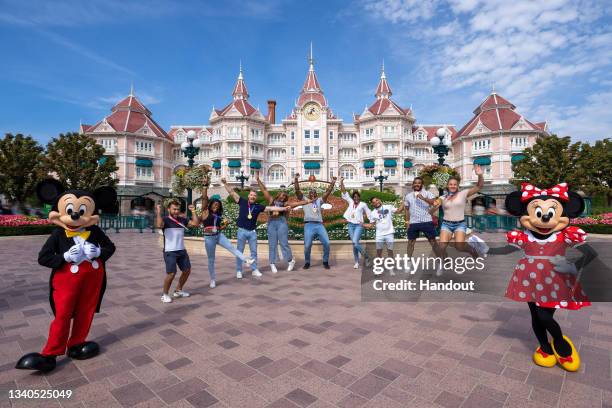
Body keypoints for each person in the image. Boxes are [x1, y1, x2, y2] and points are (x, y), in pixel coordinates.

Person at [198, 188, 255, 288]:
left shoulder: (219, 215)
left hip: (219, 235)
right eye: (214, 204)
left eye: (218, 205)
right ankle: (212, 280)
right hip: (209, 238)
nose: (216, 206)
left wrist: (225, 225)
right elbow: (204, 199)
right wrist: (204, 186)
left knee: (232, 248)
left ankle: (246, 260)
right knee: (211, 259)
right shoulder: (205, 212)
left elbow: (219, 227)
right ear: (210, 205)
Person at [256, 175, 306, 273]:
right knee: (272, 244)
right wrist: (258, 180)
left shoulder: (285, 204)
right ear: (278, 195)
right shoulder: (271, 201)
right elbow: (264, 190)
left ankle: (290, 260)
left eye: (285, 196)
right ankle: (272, 263)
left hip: (281, 222)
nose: (283, 197)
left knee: (284, 243)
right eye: (282, 195)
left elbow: (297, 204)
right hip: (271, 223)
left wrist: (307, 201)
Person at [155, 199, 199, 303]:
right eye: (174, 209)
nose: (176, 211)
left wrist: (193, 211)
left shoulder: (182, 219)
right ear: (169, 209)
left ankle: (178, 290)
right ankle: (164, 294)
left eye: (177, 209)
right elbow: (158, 225)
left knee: (187, 270)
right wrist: (158, 212)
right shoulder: (165, 220)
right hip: (170, 251)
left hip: (181, 250)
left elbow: (195, 224)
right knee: (171, 273)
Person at [221, 178, 267, 278]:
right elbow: (232, 192)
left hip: (252, 232)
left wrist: (285, 208)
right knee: (239, 251)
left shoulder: (258, 206)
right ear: (248, 196)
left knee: (254, 252)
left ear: (256, 197)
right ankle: (239, 270)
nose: (253, 197)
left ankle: (254, 269)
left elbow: (271, 208)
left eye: (254, 195)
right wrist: (225, 183)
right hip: (242, 230)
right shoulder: (242, 201)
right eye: (251, 195)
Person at [438, 165, 484, 262]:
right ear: (447, 185)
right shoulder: (443, 198)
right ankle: (445, 261)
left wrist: (480, 175)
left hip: (459, 224)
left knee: (459, 247)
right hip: (446, 224)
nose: (453, 186)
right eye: (450, 184)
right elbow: (433, 206)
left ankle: (472, 250)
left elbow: (479, 186)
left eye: (455, 184)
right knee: (442, 246)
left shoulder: (463, 194)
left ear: (458, 185)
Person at [294, 174, 336, 269]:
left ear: (316, 194)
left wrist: (333, 182)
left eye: (314, 193)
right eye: (311, 193)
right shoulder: (305, 200)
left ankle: (325, 261)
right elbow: (297, 190)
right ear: (309, 194)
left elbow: (328, 192)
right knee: (307, 245)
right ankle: (307, 262)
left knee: (327, 243)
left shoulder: (319, 201)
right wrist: (296, 179)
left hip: (319, 225)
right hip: (309, 225)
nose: (313, 194)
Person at [403, 177, 443, 272]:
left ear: (422, 184)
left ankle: (440, 263)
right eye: (415, 183)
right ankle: (408, 262)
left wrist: (423, 198)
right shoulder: (408, 196)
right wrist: (407, 221)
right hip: (414, 223)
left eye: (419, 183)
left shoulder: (428, 193)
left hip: (426, 221)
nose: (417, 184)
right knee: (410, 243)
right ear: (413, 184)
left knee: (433, 242)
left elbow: (434, 203)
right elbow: (407, 210)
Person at [339, 177, 371, 269]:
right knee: (354, 244)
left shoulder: (363, 204)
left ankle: (367, 257)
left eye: (357, 197)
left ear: (359, 197)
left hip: (359, 226)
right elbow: (344, 192)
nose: (356, 198)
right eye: (354, 197)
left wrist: (371, 223)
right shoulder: (351, 202)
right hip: (350, 225)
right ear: (353, 198)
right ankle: (356, 262)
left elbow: (368, 213)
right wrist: (341, 182)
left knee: (355, 242)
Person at [366, 197, 404, 269]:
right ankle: (378, 268)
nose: (376, 202)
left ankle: (391, 267)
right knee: (379, 252)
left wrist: (403, 202)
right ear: (372, 204)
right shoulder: (373, 213)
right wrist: (362, 224)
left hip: (389, 233)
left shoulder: (388, 207)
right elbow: (371, 225)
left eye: (377, 200)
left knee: (390, 251)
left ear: (379, 200)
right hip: (379, 235)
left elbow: (398, 211)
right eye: (374, 202)